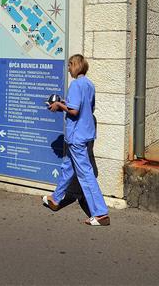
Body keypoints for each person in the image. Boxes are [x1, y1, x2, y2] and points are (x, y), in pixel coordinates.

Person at [43, 54, 110, 226]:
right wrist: (65, 103)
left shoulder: (75, 84)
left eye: (69, 65)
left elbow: (74, 112)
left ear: (75, 65)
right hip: (85, 133)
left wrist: (58, 106)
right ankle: (56, 199)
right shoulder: (89, 84)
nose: (68, 68)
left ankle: (100, 213)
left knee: (85, 174)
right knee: (67, 166)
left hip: (76, 136)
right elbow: (88, 107)